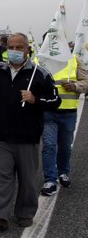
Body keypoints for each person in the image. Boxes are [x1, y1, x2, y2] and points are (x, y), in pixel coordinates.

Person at [0, 33, 61, 231]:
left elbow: (55, 100)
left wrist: (36, 100)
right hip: (1, 136)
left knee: (27, 178)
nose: (15, 51)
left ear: (28, 49)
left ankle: (25, 213)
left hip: (27, 137)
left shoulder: (40, 74)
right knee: (3, 175)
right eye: (11, 47)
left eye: (20, 47)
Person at [40, 54, 87, 196]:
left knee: (65, 146)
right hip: (48, 111)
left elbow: (86, 81)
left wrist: (75, 86)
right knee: (49, 145)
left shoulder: (74, 59)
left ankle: (63, 172)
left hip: (68, 112)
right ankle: (50, 180)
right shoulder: (39, 58)